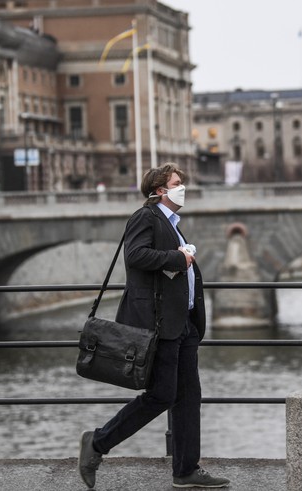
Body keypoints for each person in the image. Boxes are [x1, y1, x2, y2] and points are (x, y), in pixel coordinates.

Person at [78, 163, 230, 489]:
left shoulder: (172, 223)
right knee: (162, 395)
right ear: (160, 190)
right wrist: (179, 258)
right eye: (177, 183)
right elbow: (135, 256)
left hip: (184, 322)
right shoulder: (145, 216)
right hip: (161, 324)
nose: (182, 187)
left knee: (189, 397)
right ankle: (97, 442)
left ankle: (186, 469)